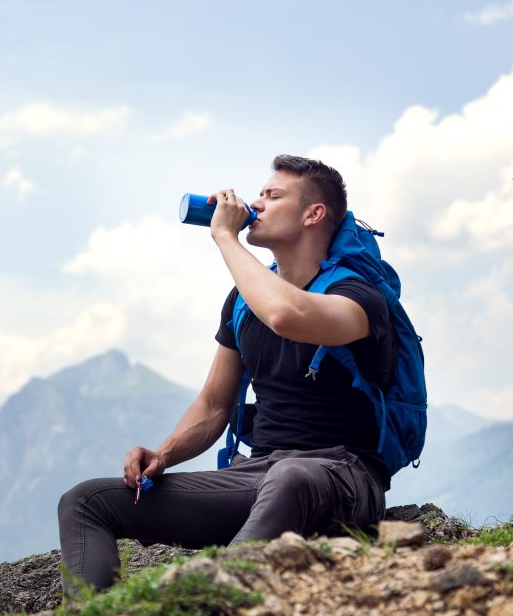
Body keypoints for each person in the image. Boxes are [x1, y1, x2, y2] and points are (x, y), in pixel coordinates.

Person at [58, 155, 394, 591]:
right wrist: (165, 454)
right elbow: (215, 404)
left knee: (291, 476)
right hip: (257, 477)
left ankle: (209, 595)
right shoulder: (241, 302)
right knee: (85, 501)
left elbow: (285, 314)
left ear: (314, 214)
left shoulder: (359, 297)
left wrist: (223, 236)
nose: (257, 202)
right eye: (260, 194)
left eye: (273, 196)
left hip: (342, 475)